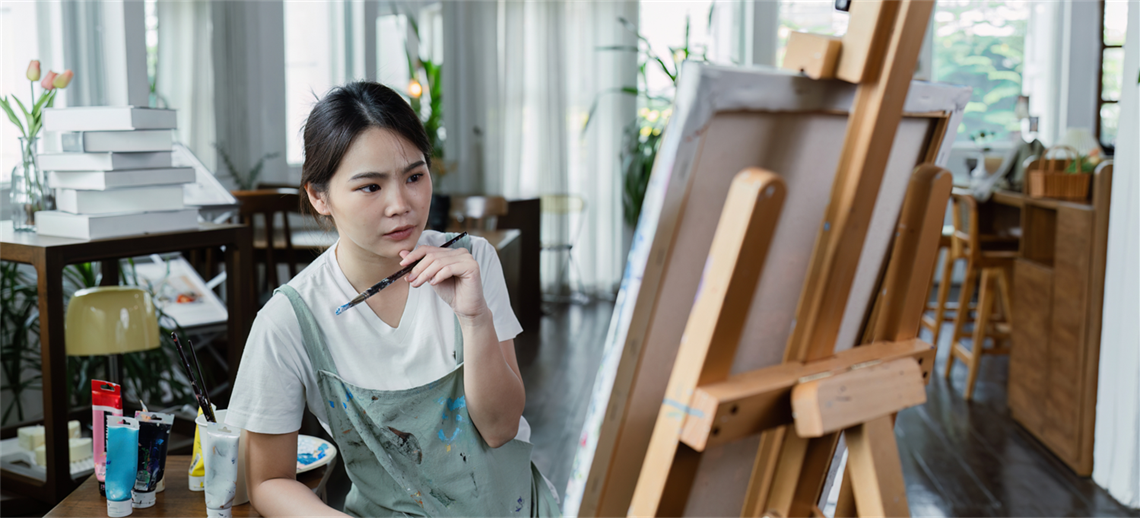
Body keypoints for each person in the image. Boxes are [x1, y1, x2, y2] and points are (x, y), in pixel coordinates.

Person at [226, 82, 560, 517]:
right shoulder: (289, 319)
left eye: (414, 176)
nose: (401, 204)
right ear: (319, 196)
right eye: (370, 187)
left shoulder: (472, 259)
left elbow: (500, 429)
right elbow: (268, 480)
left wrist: (474, 318)